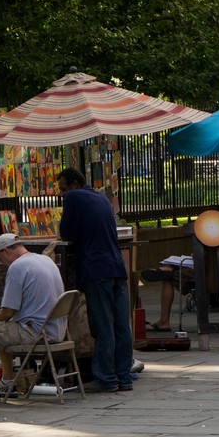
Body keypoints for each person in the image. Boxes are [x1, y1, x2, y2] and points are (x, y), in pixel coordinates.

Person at [57, 168, 133, 393]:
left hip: (96, 269)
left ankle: (106, 377)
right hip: (117, 268)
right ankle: (124, 377)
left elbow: (66, 233)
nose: (62, 195)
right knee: (121, 326)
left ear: (74, 184)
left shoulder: (74, 197)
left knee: (103, 326)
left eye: (62, 189)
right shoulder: (101, 196)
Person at [0, 233, 65, 403]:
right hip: (56, 331)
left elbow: (8, 311)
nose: (2, 264)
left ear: (6, 251)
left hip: (37, 334)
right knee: (1, 327)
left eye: (0, 258)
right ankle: (8, 381)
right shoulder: (45, 260)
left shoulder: (17, 267)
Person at [141, 203, 219, 331]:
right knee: (177, 267)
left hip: (215, 274)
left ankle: (164, 321)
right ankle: (168, 268)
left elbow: (214, 257)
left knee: (168, 278)